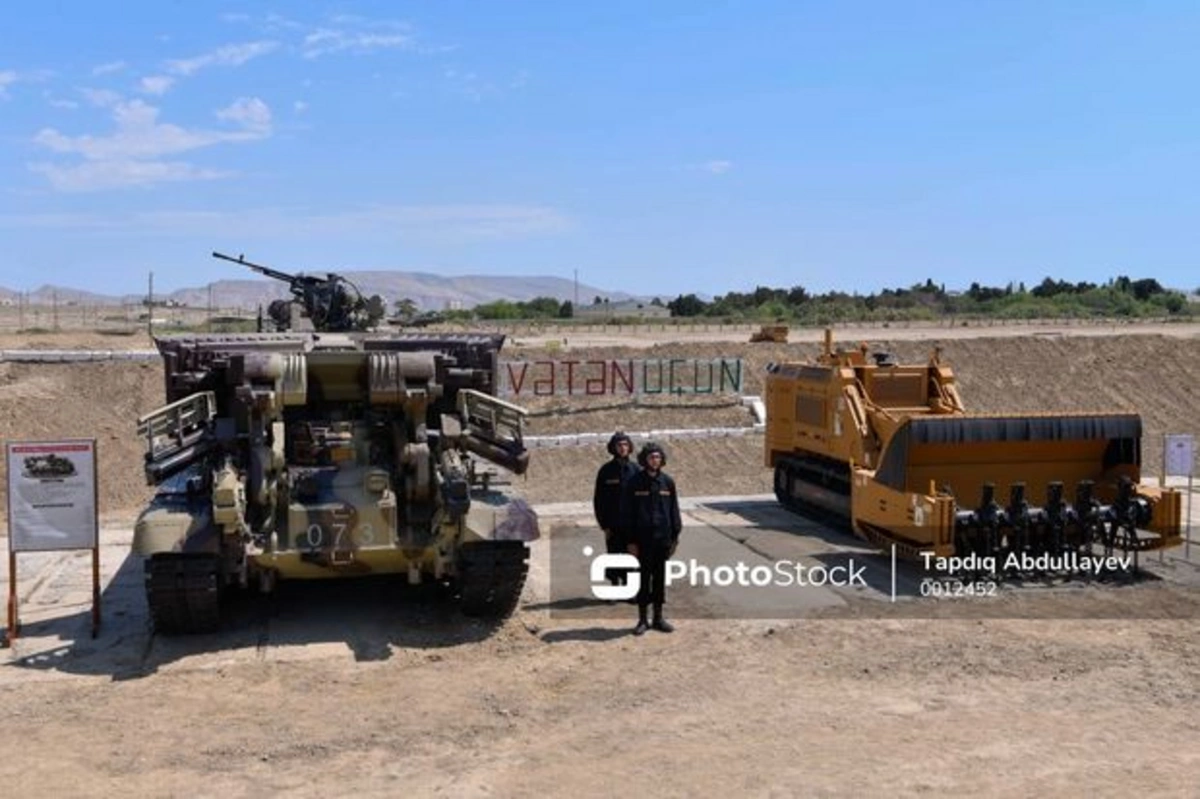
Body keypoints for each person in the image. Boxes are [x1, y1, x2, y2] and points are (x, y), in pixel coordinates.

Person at [623, 441, 682, 635]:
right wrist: (631, 541)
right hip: (642, 541)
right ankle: (642, 619)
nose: (655, 460)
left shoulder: (668, 483)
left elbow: (674, 511)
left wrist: (675, 538)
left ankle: (658, 618)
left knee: (659, 579)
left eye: (657, 457)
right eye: (651, 457)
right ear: (644, 460)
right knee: (643, 579)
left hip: (662, 540)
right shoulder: (634, 483)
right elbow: (628, 514)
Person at [592, 431, 637, 588]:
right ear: (613, 448)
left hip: (633, 524)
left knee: (631, 556)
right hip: (613, 523)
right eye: (619, 445)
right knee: (614, 554)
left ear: (630, 447)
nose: (623, 448)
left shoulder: (636, 470)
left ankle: (628, 587)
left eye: (625, 444)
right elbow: (599, 500)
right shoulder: (606, 471)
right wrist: (604, 525)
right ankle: (614, 585)